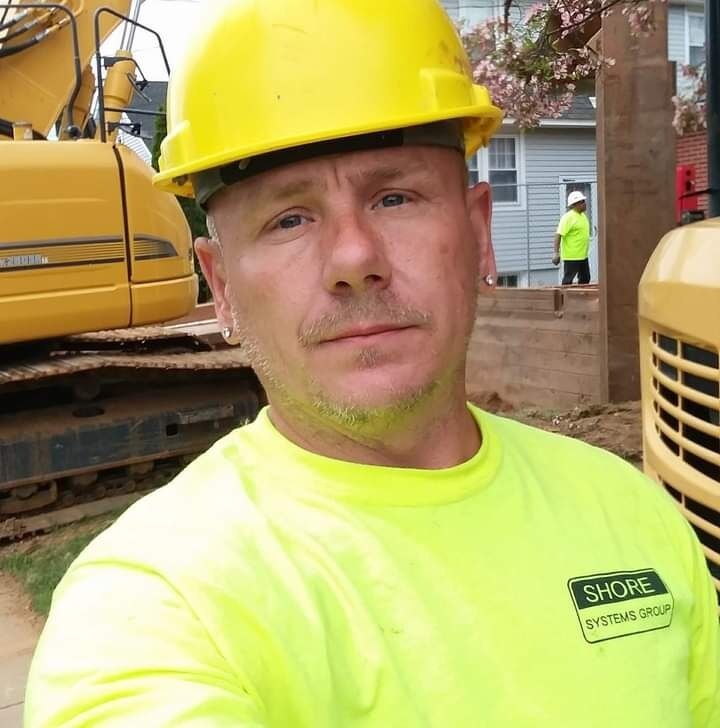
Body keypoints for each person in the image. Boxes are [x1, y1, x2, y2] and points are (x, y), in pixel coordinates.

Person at [25, 1, 719, 726]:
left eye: (394, 198)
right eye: (289, 219)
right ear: (222, 287)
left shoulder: (630, 512)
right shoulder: (156, 604)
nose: (355, 258)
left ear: (479, 234)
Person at [553, 190, 592, 285]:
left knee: (585, 278)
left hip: (583, 255)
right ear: (575, 204)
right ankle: (565, 295)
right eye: (582, 202)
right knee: (568, 281)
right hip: (572, 256)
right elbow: (558, 234)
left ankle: (581, 294)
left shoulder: (582, 216)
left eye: (584, 201)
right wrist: (556, 253)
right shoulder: (568, 217)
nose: (585, 204)